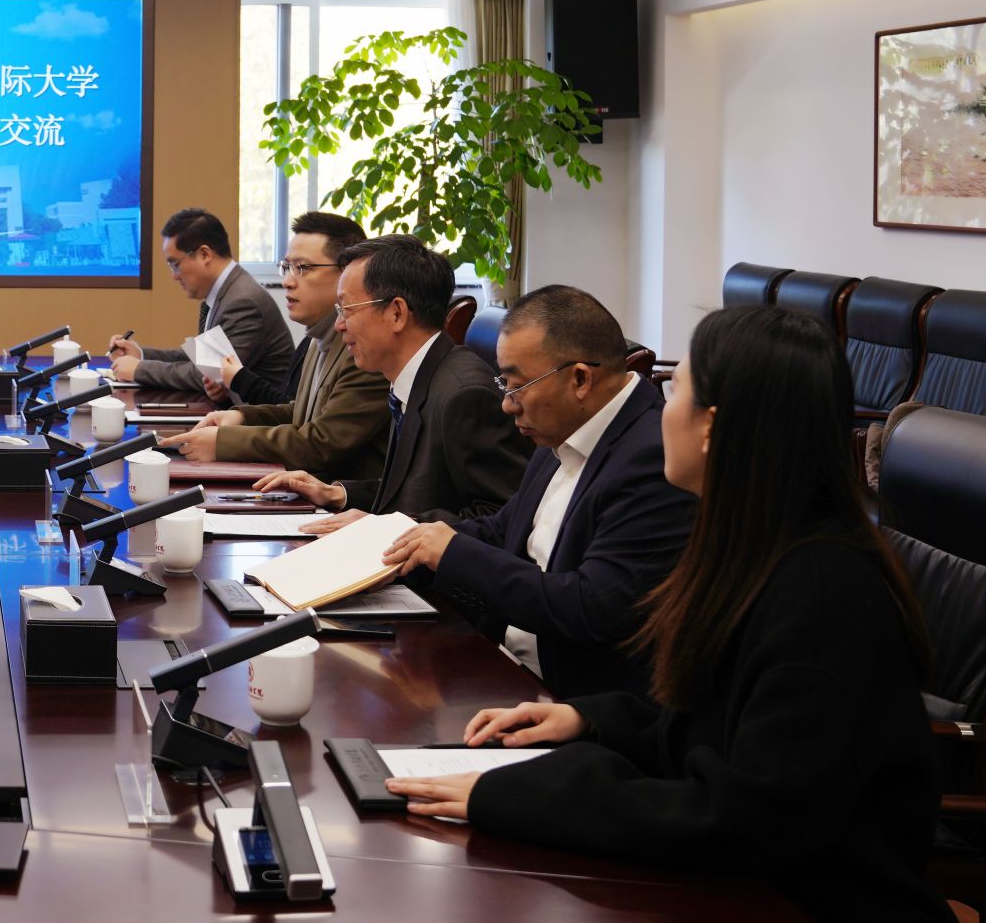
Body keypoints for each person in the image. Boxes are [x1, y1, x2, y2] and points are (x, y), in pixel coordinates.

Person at [385, 305, 952, 921]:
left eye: (675, 391)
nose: (658, 411)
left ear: (713, 427)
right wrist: (591, 720)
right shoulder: (756, 549)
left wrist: (519, 797)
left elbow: (742, 819)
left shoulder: (819, 596)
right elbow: (715, 725)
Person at [381, 285, 694, 697]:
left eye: (517, 385)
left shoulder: (653, 458)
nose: (507, 404)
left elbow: (589, 606)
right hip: (500, 660)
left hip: (566, 698)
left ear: (579, 379)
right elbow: (503, 530)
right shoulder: (563, 425)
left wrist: (453, 553)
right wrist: (401, 542)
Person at [259, 236, 527, 530]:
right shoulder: (416, 375)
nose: (339, 324)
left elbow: (502, 518)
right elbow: (419, 491)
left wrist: (386, 528)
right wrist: (338, 493)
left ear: (397, 313)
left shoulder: (463, 396)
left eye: (347, 309)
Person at [160, 212, 390, 483]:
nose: (287, 281)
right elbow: (301, 414)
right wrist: (240, 418)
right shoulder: (316, 338)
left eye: (302, 268)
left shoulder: (362, 349)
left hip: (338, 496)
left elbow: (321, 442)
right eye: (287, 267)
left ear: (346, 274)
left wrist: (224, 441)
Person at [106, 208, 291, 396]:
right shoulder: (226, 292)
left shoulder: (243, 301)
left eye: (175, 264)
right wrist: (141, 354)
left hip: (259, 413)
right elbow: (203, 360)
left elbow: (211, 373)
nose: (174, 275)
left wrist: (139, 369)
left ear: (204, 254)